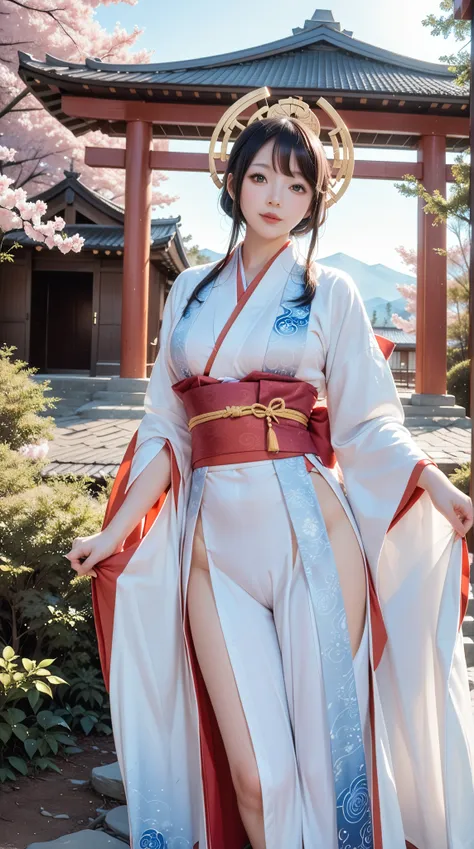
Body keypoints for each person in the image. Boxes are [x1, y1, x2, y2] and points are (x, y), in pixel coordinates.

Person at [66, 90, 474, 849]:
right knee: (257, 775)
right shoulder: (188, 292)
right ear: (233, 182)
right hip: (213, 547)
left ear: (317, 198)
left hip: (313, 534)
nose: (277, 197)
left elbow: (369, 423)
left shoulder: (331, 293)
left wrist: (440, 486)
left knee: (329, 757)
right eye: (261, 177)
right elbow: (165, 426)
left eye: (297, 184)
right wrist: (117, 529)